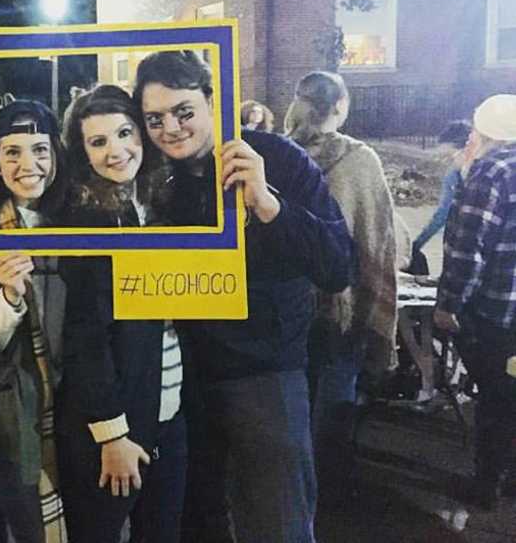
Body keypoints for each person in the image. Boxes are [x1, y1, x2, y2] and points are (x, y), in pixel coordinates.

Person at [132, 51, 355, 543]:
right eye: (155, 119)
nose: (171, 128)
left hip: (265, 373)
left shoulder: (274, 157)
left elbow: (338, 266)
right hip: (182, 378)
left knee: (277, 521)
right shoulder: (145, 174)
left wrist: (269, 204)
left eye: (184, 111)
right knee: (195, 522)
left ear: (212, 101)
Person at [57, 85, 186, 543]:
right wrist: (111, 433)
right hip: (118, 420)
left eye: (124, 133)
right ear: (82, 153)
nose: (116, 151)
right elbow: (84, 335)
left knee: (162, 531)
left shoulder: (155, 201)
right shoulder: (85, 219)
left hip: (169, 407)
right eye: (98, 142)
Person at [0, 100, 70, 543]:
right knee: (29, 524)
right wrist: (8, 297)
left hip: (74, 394)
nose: (28, 164)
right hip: (8, 405)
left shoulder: (78, 218)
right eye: (12, 152)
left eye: (40, 150)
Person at [284, 71, 398, 500]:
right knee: (334, 396)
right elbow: (377, 237)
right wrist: (379, 306)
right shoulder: (359, 160)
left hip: (289, 302)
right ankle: (328, 489)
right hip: (339, 305)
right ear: (340, 106)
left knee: (294, 399)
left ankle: (296, 483)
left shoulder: (280, 154)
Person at [435, 94, 516, 511]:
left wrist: (448, 304)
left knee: (496, 397)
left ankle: (486, 484)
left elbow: (469, 247)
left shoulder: (491, 172)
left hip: (495, 313)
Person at [411, 120, 472, 262]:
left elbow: (443, 214)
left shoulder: (454, 174)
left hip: (461, 240)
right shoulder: (487, 169)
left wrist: (417, 244)